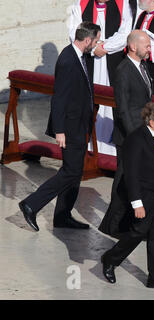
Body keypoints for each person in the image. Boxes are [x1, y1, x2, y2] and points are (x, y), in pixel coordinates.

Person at [19, 22, 101, 232]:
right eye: (96, 40)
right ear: (88, 40)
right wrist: (60, 131)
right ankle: (31, 204)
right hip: (70, 127)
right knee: (70, 172)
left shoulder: (81, 56)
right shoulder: (67, 59)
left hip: (80, 124)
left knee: (75, 171)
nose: (97, 44)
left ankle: (63, 215)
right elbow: (59, 99)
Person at [101, 102, 154, 291]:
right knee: (138, 232)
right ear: (151, 122)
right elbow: (132, 174)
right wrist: (137, 203)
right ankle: (110, 258)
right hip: (145, 197)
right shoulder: (136, 139)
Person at [98, 30, 153, 237]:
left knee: (137, 178)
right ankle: (112, 225)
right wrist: (134, 137)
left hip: (142, 131)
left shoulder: (142, 66)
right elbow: (122, 108)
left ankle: (132, 223)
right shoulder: (123, 70)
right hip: (130, 136)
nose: (149, 49)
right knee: (123, 178)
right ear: (133, 46)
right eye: (146, 45)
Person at [68, 0, 133, 156]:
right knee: (89, 100)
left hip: (112, 59)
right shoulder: (81, 3)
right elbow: (73, 32)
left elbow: (126, 32)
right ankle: (89, 145)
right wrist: (92, 49)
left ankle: (111, 148)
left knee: (112, 102)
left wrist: (105, 47)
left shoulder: (122, 4)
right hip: (89, 59)